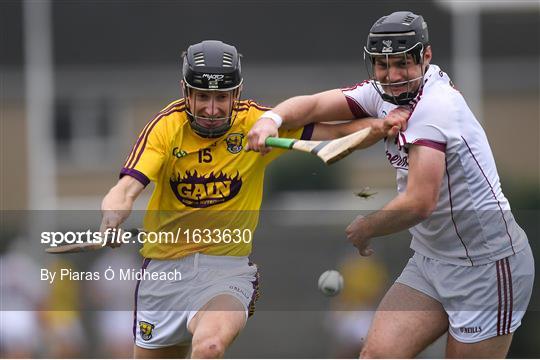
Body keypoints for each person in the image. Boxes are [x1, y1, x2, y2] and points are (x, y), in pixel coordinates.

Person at [247, 11, 534, 358]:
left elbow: (419, 202)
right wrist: (270, 120)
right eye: (382, 65)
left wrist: (368, 227)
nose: (392, 76)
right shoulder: (382, 93)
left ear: (425, 57)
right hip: (431, 261)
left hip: (487, 267)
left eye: (402, 64)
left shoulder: (435, 108)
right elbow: (315, 105)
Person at [100, 40, 406, 358]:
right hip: (163, 274)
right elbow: (126, 188)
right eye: (203, 96)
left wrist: (379, 126)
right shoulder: (165, 129)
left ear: (238, 92)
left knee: (210, 346)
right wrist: (113, 215)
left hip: (225, 271)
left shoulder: (256, 124)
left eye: (222, 97)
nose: (212, 109)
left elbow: (336, 134)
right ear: (185, 91)